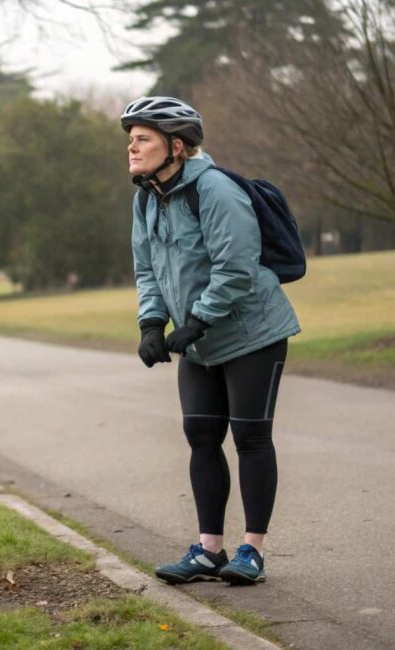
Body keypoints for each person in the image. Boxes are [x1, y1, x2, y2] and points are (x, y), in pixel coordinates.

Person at [123, 96, 301, 586]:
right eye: (130, 140)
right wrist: (151, 324)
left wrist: (197, 320)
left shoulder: (216, 190)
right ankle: (209, 551)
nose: (132, 149)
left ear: (176, 147)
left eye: (143, 140)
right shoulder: (146, 198)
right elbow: (147, 270)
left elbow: (237, 267)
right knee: (201, 437)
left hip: (251, 334)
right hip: (199, 342)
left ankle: (252, 551)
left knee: (250, 438)